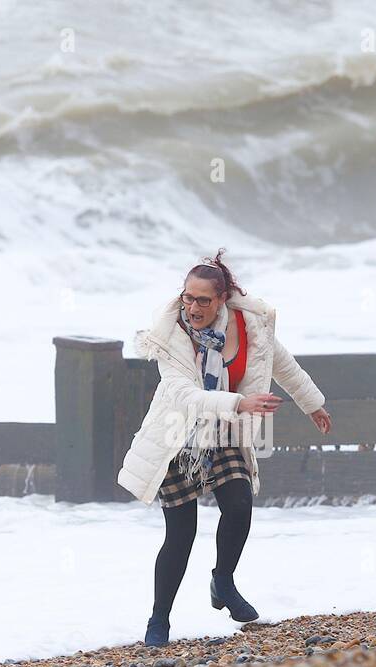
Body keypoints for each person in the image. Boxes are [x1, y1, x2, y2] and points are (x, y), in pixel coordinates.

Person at [117, 251, 332, 646]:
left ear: (222, 300)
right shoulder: (172, 333)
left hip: (225, 431)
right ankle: (158, 619)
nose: (193, 307)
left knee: (239, 504)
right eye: (188, 297)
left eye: (203, 300)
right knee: (181, 534)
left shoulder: (249, 326)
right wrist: (239, 404)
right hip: (177, 436)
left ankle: (223, 581)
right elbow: (183, 393)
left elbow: (282, 364)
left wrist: (312, 403)